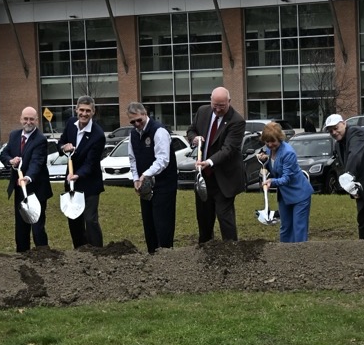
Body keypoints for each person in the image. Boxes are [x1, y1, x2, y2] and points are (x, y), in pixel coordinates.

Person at [187, 86, 247, 244]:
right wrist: (194, 138)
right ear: (210, 101)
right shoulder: (203, 111)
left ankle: (231, 249)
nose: (218, 109)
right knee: (204, 217)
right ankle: (205, 247)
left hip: (224, 177)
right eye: (215, 105)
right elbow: (191, 130)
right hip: (203, 178)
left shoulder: (237, 121)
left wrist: (209, 162)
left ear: (229, 102)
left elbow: (228, 150)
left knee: (225, 217)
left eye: (222, 106)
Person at [127, 101, 178, 254]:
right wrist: (136, 178)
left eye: (139, 120)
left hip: (164, 185)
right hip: (145, 186)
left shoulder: (159, 131)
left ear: (145, 114)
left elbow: (163, 159)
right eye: (132, 121)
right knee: (148, 223)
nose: (136, 124)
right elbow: (132, 158)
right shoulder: (133, 135)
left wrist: (145, 174)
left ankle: (165, 255)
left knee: (163, 224)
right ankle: (152, 255)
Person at [0, 105, 50, 252]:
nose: (28, 122)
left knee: (37, 226)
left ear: (36, 120)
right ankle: (22, 255)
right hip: (20, 189)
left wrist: (27, 177)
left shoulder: (40, 140)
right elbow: (4, 154)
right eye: (25, 119)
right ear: (21, 119)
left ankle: (43, 254)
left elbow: (37, 162)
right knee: (21, 226)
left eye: (31, 119)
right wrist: (11, 161)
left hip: (36, 190)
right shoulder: (14, 135)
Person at [58, 96, 108, 248]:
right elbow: (61, 143)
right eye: (81, 110)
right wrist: (63, 148)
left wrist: (78, 175)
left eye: (88, 111)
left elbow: (91, 163)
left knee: (90, 219)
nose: (84, 114)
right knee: (74, 219)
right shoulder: (70, 124)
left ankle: (97, 251)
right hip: (71, 182)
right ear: (76, 110)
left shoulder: (98, 135)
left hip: (89, 183)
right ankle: (80, 250)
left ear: (93, 112)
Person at [259, 121, 312, 243]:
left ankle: (300, 255)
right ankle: (284, 256)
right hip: (284, 195)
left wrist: (271, 181)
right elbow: (271, 165)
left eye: (273, 141)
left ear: (280, 139)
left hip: (300, 195)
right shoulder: (268, 150)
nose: (270, 144)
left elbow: (286, 178)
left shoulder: (288, 153)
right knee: (285, 228)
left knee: (299, 228)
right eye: (267, 141)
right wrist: (263, 159)